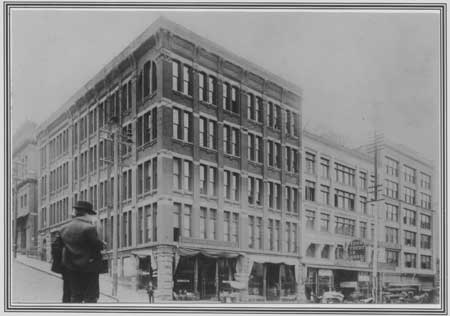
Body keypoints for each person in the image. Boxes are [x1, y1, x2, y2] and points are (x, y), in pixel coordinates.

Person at [60, 201, 105, 303]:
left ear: (76, 212)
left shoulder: (63, 228)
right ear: (86, 213)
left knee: (75, 296)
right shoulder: (89, 228)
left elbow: (60, 248)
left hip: (71, 268)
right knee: (90, 297)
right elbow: (97, 246)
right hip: (89, 268)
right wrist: (102, 244)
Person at [50, 231, 70, 303]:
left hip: (65, 268)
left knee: (67, 288)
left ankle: (66, 303)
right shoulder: (62, 242)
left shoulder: (58, 241)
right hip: (69, 267)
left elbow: (54, 251)